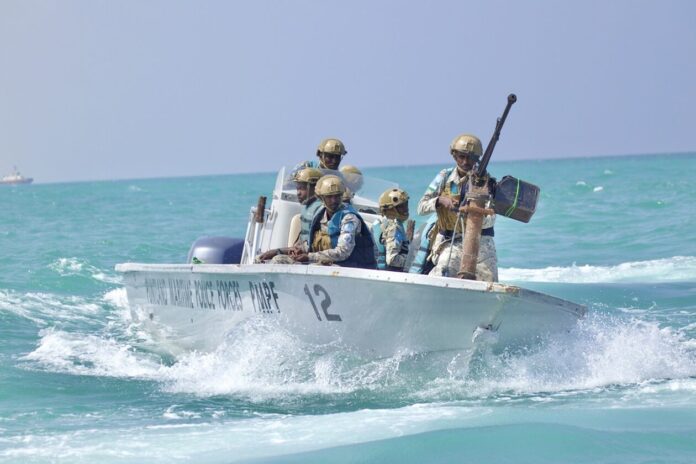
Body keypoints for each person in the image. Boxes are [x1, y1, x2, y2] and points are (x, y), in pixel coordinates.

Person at [417, 134, 498, 281]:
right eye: (462, 156)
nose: (466, 162)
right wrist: (440, 200)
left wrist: (473, 214)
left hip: (481, 243)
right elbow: (421, 207)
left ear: (477, 159)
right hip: (451, 241)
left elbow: (491, 219)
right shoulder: (445, 177)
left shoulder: (487, 182)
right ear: (454, 155)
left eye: (471, 158)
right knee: (441, 275)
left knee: (488, 282)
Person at [286, 175, 377, 269]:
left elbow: (343, 251)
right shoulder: (320, 214)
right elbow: (313, 242)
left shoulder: (349, 218)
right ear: (322, 198)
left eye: (337, 196)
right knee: (281, 260)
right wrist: (300, 250)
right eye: (329, 197)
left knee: (313, 267)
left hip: (353, 267)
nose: (334, 200)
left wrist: (309, 257)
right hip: (331, 263)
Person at [256, 167, 323, 261]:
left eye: (302, 188)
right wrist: (277, 251)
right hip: (303, 254)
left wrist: (277, 252)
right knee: (260, 258)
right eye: (297, 188)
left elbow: (313, 247)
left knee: (277, 260)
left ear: (316, 188)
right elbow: (299, 245)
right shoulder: (307, 208)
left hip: (313, 258)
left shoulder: (321, 210)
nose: (298, 193)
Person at [373, 188, 410, 271]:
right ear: (390, 209)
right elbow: (392, 260)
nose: (406, 209)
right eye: (401, 207)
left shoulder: (380, 222)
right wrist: (411, 260)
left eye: (406, 205)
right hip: (389, 273)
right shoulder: (393, 227)